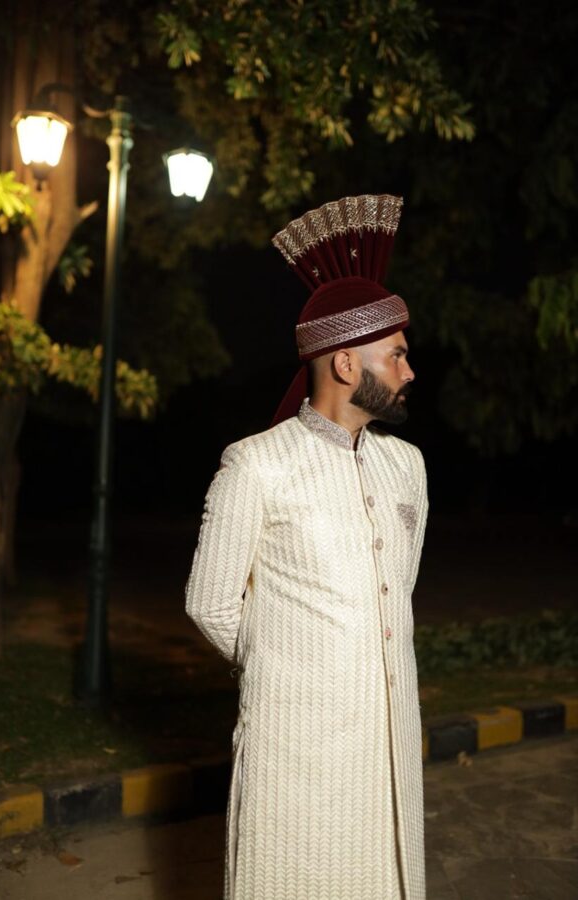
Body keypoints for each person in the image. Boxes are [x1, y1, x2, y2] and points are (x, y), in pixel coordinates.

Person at [186, 194, 428, 900]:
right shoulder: (255, 465)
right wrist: (290, 665)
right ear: (347, 365)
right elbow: (210, 605)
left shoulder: (406, 466)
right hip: (297, 746)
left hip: (388, 747)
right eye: (398, 356)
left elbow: (396, 589)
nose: (410, 372)